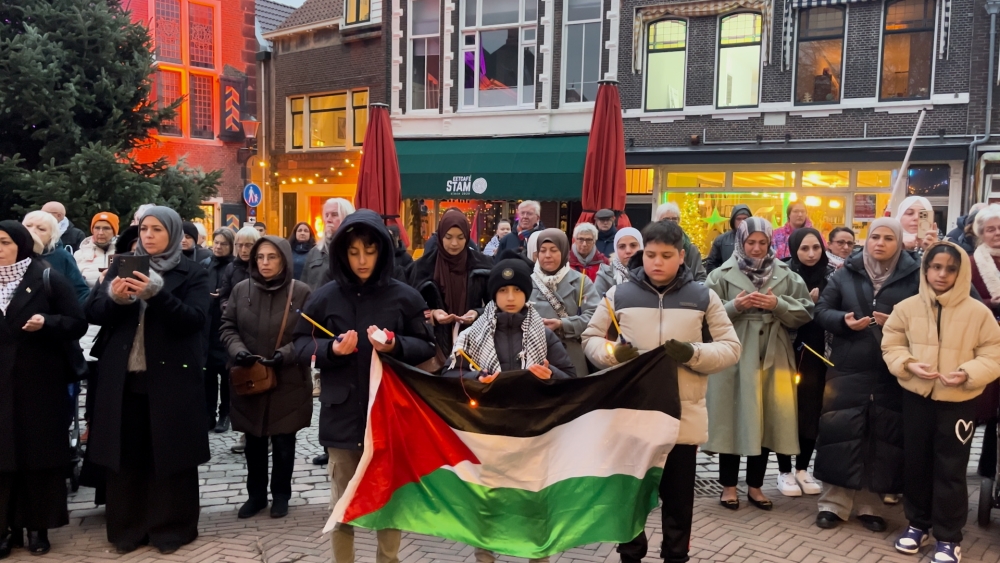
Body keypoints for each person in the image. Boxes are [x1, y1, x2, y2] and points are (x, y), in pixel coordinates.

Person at [583, 220, 741, 563]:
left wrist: (693, 353)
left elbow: (731, 348)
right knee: (630, 499)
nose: (657, 262)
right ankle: (630, 555)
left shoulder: (703, 296)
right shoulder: (618, 295)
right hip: (632, 415)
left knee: (679, 503)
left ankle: (675, 556)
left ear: (681, 256)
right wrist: (612, 354)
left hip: (681, 421)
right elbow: (590, 339)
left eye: (666, 255)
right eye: (651, 254)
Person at [292, 210, 435, 563]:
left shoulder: (405, 296)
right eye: (354, 252)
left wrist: (395, 345)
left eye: (369, 252)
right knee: (343, 503)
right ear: (342, 252)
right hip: (342, 418)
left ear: (382, 251)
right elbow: (298, 346)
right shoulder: (325, 296)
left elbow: (428, 346)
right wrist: (331, 350)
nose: (361, 260)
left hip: (391, 414)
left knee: (391, 500)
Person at [85, 206, 211, 554]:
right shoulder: (122, 264)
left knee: (168, 453)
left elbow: (194, 320)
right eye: (144, 230)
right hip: (122, 378)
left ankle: (170, 528)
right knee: (126, 455)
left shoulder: (194, 271)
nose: (149, 236)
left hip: (170, 379)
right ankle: (128, 527)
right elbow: (93, 313)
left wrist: (158, 294)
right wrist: (115, 297)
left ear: (172, 232)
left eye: (157, 229)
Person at [882, 241, 1000, 563]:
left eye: (950, 268)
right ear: (925, 269)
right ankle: (918, 524)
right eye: (936, 267)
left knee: (950, 469)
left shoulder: (979, 313)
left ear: (961, 272)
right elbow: (891, 343)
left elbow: (993, 352)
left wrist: (967, 372)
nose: (942, 274)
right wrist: (908, 364)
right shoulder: (906, 308)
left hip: (958, 402)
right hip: (917, 398)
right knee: (916, 463)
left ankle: (949, 537)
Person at [812, 217, 918, 532]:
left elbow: (925, 320)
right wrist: (843, 321)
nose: (881, 243)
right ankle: (833, 504)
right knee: (839, 433)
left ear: (899, 242)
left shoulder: (914, 278)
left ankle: (870, 506)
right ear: (866, 240)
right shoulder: (846, 273)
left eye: (888, 238)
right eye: (875, 237)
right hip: (847, 367)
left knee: (882, 437)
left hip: (891, 371)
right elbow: (820, 312)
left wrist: (897, 324)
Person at [705, 217, 813, 511]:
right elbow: (703, 315)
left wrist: (777, 305)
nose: (755, 248)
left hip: (773, 352)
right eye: (750, 242)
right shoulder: (719, 275)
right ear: (740, 241)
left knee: (765, 419)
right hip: (733, 352)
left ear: (769, 243)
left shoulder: (786, 274)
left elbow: (806, 310)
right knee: (732, 416)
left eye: (762, 242)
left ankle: (755, 486)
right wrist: (734, 307)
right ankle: (728, 486)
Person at [0, 221, 87, 557]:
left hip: (40, 386)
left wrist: (47, 323)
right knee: (3, 460)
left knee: (38, 459)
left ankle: (38, 528)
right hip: (2, 390)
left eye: (5, 243)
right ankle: (6, 530)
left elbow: (77, 322)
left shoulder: (46, 277)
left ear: (21, 245)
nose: (0, 249)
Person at [220, 236, 312, 519]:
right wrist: (239, 352)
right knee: (254, 442)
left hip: (288, 379)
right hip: (250, 377)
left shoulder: (302, 292)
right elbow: (228, 327)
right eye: (260, 257)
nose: (265, 263)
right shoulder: (241, 290)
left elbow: (309, 334)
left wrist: (285, 354)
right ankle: (256, 496)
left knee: (284, 442)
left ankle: (281, 495)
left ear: (283, 259)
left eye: (272, 257)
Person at [444, 255, 577, 380]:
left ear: (526, 294)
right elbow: (449, 373)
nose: (510, 298)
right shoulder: (472, 335)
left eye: (517, 290)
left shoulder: (543, 334)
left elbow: (570, 377)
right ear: (494, 295)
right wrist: (476, 377)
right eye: (503, 290)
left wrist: (551, 374)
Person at [775, 228, 835, 497]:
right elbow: (780, 310)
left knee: (812, 411)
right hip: (789, 351)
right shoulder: (783, 274)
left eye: (816, 248)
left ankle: (802, 468)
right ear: (794, 249)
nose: (811, 254)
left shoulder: (833, 275)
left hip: (820, 353)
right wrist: (805, 306)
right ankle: (784, 471)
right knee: (786, 409)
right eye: (804, 249)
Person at [408, 209, 492, 357]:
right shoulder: (423, 267)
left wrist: (477, 313)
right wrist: (432, 314)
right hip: (433, 346)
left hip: (475, 344)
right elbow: (411, 309)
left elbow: (497, 305)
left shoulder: (483, 265)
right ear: (440, 236)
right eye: (448, 237)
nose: (454, 243)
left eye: (460, 237)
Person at [528, 229, 599, 375]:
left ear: (564, 251)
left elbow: (595, 316)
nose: (548, 255)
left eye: (554, 250)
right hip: (535, 357)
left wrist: (563, 324)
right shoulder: (527, 283)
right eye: (543, 250)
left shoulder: (581, 281)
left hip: (571, 356)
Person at [968, 205, 1000, 486]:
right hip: (983, 341)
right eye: (991, 228)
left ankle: (991, 466)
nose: (997, 233)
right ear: (981, 233)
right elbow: (965, 298)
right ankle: (983, 468)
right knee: (984, 405)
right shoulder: (970, 261)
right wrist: (992, 305)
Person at [22, 211, 89, 304]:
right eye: (28, 226)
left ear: (52, 237)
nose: (32, 231)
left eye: (41, 229)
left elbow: (79, 292)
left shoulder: (62, 256)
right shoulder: (8, 254)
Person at [204, 228, 235, 433]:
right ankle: (208, 414)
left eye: (223, 243)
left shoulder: (234, 267)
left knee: (225, 374)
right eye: (216, 242)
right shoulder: (206, 265)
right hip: (207, 324)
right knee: (208, 374)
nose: (218, 246)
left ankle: (225, 414)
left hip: (225, 326)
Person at [302, 198, 355, 290]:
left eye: (334, 215)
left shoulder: (355, 251)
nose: (328, 220)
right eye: (326, 215)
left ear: (347, 217)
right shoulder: (315, 252)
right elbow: (304, 286)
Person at [655, 202, 707, 282]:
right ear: (658, 221)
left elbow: (701, 278)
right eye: (666, 219)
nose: (671, 222)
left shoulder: (691, 249)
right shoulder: (651, 246)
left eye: (674, 219)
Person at [594, 227, 643, 296]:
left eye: (633, 245)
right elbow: (596, 304)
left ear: (641, 247)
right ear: (616, 250)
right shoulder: (605, 275)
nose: (628, 251)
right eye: (622, 246)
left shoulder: (651, 274)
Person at [74, 212, 119, 287]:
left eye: (106, 228)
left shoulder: (125, 251)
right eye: (97, 228)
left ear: (114, 231)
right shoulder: (79, 254)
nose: (101, 233)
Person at [705, 205, 751, 273]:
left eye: (745, 219)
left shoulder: (757, 239)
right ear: (733, 220)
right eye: (738, 219)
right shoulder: (721, 240)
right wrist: (721, 278)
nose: (742, 222)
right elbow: (711, 264)